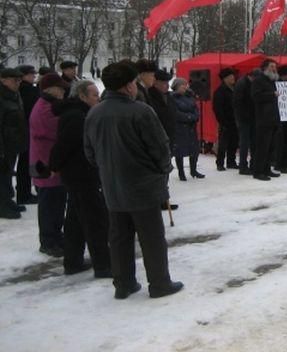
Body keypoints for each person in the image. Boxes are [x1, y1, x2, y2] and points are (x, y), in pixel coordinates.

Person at [84, 61, 183, 299]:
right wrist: (162, 171)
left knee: (119, 237)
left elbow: (90, 152)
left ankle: (123, 283)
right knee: (151, 237)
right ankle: (159, 283)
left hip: (112, 185)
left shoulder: (94, 113)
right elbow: (160, 148)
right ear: (129, 86)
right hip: (143, 186)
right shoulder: (140, 111)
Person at [50, 80, 111, 277]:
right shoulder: (76, 116)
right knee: (95, 220)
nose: (98, 98)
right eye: (94, 95)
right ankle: (103, 266)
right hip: (81, 174)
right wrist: (54, 165)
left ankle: (73, 261)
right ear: (82, 96)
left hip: (79, 173)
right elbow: (64, 145)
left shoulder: (82, 113)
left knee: (76, 220)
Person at [31, 73, 69, 256]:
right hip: (44, 163)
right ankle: (48, 240)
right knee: (48, 204)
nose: (63, 91)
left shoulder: (50, 105)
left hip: (52, 162)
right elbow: (53, 129)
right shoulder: (43, 107)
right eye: (60, 88)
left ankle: (56, 235)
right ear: (49, 89)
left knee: (58, 202)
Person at [0, 68, 28, 219]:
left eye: (19, 80)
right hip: (4, 145)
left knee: (7, 174)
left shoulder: (14, 95)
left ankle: (7, 201)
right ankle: (2, 206)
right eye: (14, 80)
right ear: (3, 80)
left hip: (13, 143)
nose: (17, 83)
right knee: (1, 176)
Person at [250, 59, 282, 181]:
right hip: (263, 119)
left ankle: (267, 169)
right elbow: (256, 97)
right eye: (271, 66)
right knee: (262, 147)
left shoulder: (272, 80)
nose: (274, 68)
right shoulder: (259, 80)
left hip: (273, 118)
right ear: (265, 68)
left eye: (275, 66)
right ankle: (258, 171)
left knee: (271, 147)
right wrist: (271, 95)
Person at [172, 78, 204, 180]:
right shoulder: (172, 98)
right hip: (180, 128)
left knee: (194, 150)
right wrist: (189, 117)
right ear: (177, 86)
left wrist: (194, 117)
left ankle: (193, 170)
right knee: (180, 151)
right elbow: (175, 113)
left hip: (191, 127)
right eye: (182, 85)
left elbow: (195, 110)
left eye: (186, 85)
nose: (185, 87)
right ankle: (181, 173)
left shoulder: (190, 97)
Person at [16, 65, 40, 204]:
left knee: (24, 163)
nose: (33, 76)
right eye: (31, 74)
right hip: (28, 131)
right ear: (23, 76)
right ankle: (24, 193)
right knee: (26, 163)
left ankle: (23, 191)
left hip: (24, 130)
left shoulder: (22, 90)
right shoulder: (28, 91)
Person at [233, 68, 261, 175]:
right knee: (245, 143)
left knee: (251, 142)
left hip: (249, 117)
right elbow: (238, 103)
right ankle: (243, 166)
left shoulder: (246, 83)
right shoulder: (242, 85)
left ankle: (251, 164)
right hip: (245, 119)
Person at [213, 68, 239, 171]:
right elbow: (217, 108)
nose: (233, 79)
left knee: (234, 142)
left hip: (235, 119)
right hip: (225, 121)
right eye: (230, 77)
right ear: (225, 79)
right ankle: (220, 163)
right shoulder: (220, 91)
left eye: (233, 77)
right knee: (223, 143)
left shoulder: (235, 88)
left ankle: (231, 161)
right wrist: (222, 121)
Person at [148, 70, 177, 154]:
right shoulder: (149, 97)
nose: (167, 85)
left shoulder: (169, 97)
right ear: (155, 82)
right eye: (164, 83)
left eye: (168, 82)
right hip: (157, 139)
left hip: (169, 137)